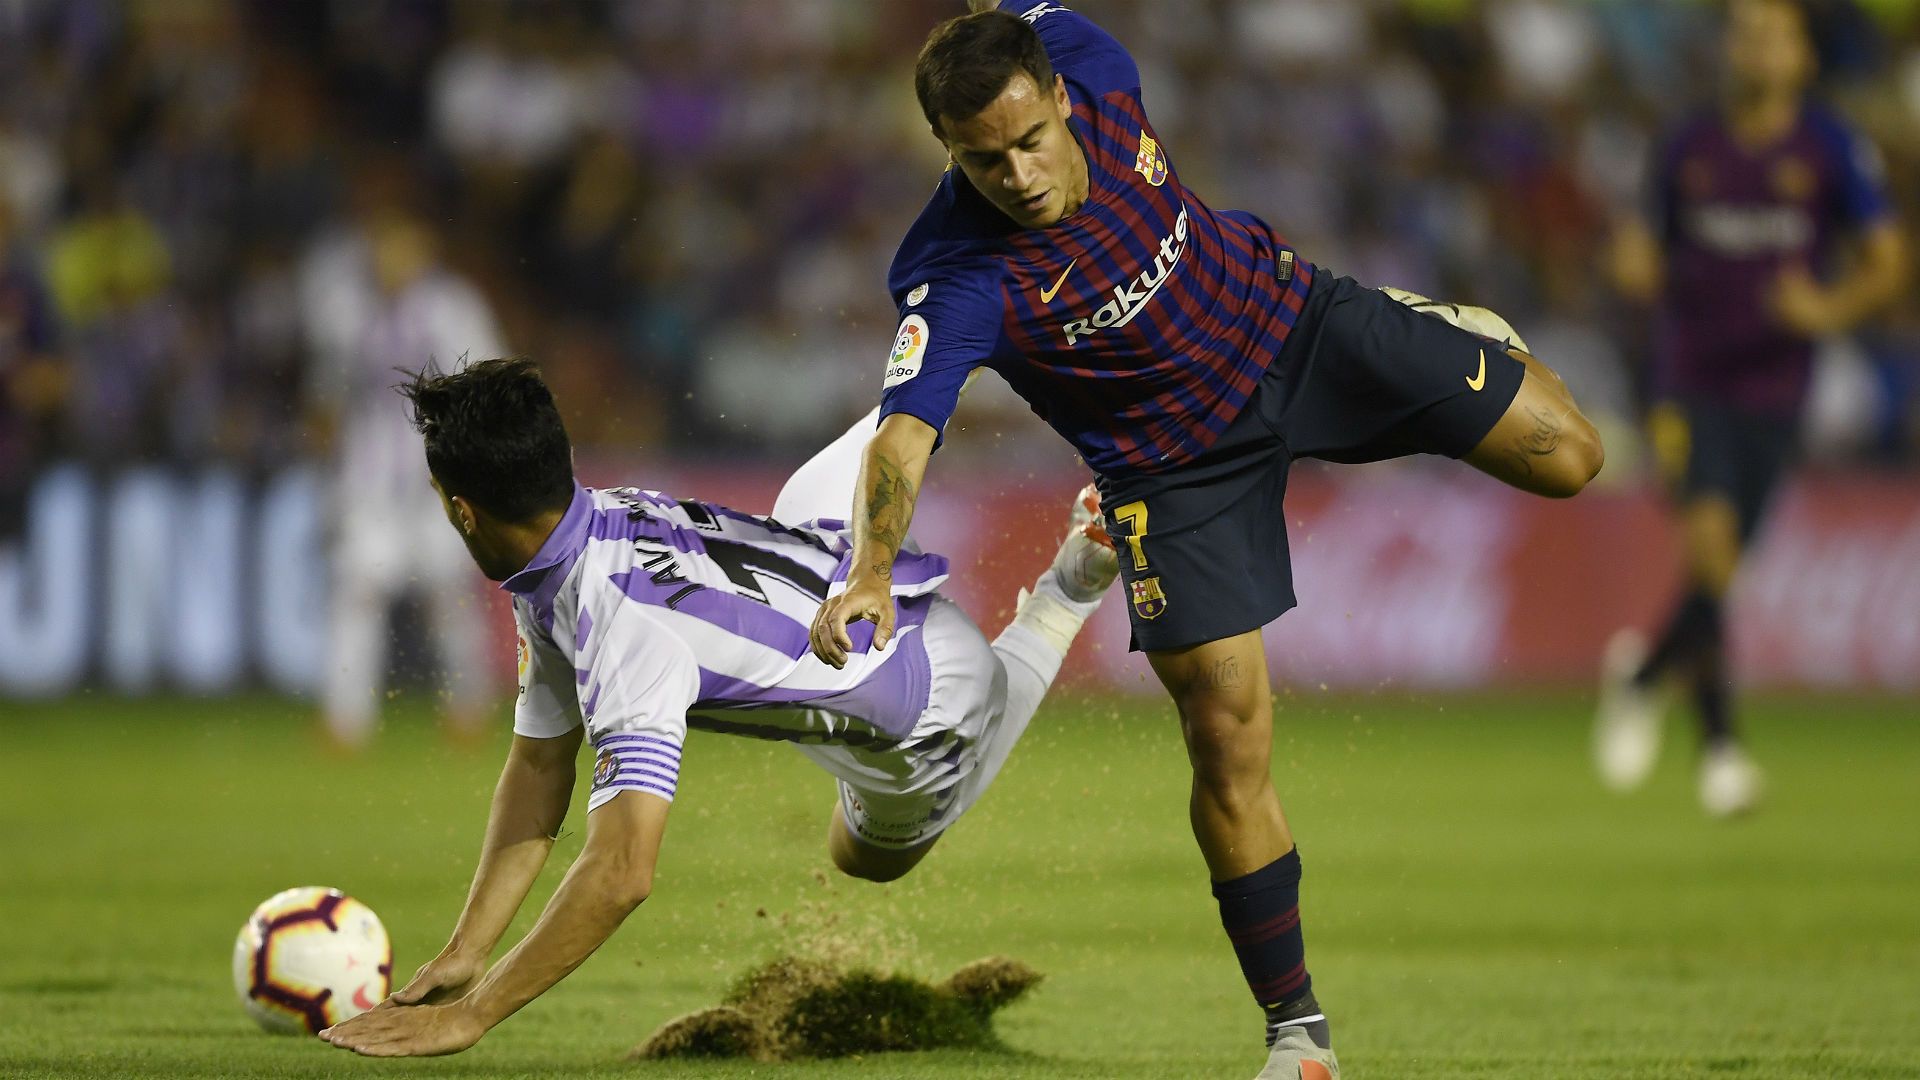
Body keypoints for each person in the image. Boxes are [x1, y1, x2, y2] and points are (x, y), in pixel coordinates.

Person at [805, 5, 1605, 1078]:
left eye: (1030, 140)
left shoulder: (1089, 55)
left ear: (1056, 95)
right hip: (1176, 471)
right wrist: (867, 573)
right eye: (983, 161)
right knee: (1225, 733)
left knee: (1572, 458)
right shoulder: (956, 276)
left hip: (1295, 324)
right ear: (947, 151)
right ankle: (1299, 1039)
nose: (1020, 175)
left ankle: (1435, 324)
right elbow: (905, 434)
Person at [318, 356, 1118, 1057]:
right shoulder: (582, 527)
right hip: (831, 540)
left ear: (463, 511)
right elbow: (538, 760)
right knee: (909, 399)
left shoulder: (621, 636)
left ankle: (1067, 590)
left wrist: (476, 1015)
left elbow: (622, 873)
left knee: (864, 856)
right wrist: (468, 949)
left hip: (927, 690)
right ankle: (977, 341)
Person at [1597, 0, 1905, 817]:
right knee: (1712, 545)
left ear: (1803, 56)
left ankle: (1647, 675)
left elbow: (1887, 258)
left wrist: (1831, 311)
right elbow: (1638, 242)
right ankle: (1724, 753)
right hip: (1689, 379)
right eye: (1743, 35)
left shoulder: (1831, 148)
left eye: (1772, 36)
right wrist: (1633, 264)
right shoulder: (1688, 144)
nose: (1756, 50)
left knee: (1722, 569)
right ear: (1727, 51)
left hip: (1777, 389)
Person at [302, 207, 503, 746]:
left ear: (423, 255)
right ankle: (345, 721)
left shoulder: (451, 308)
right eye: (382, 250)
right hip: (369, 480)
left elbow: (486, 385)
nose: (391, 263)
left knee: (448, 596)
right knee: (357, 590)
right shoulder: (345, 310)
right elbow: (329, 395)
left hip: (438, 479)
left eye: (402, 251)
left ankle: (468, 708)